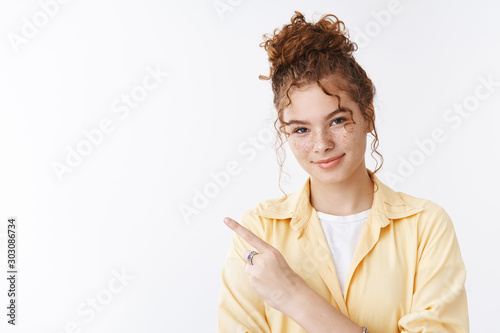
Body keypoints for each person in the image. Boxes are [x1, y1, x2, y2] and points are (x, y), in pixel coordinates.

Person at [217, 11, 469, 333]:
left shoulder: (426, 227)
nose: (321, 145)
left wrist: (294, 297)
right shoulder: (258, 235)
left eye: (337, 121)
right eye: (301, 130)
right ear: (286, 133)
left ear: (368, 116)